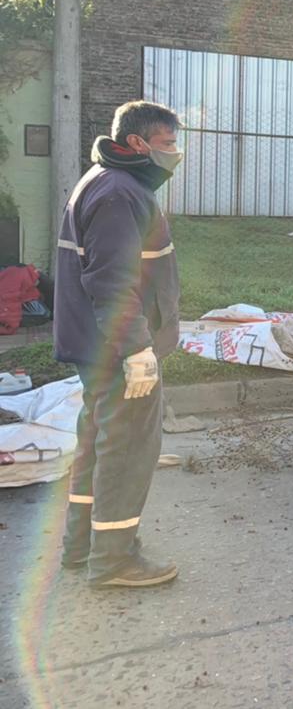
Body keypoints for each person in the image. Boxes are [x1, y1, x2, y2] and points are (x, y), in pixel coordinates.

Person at [54, 100, 183, 588]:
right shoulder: (119, 192)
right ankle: (114, 561)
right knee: (127, 450)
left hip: (97, 347)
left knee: (98, 445)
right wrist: (136, 349)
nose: (175, 152)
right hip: (116, 350)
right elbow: (111, 281)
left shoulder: (106, 181)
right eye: (168, 143)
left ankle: (82, 548)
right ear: (136, 142)